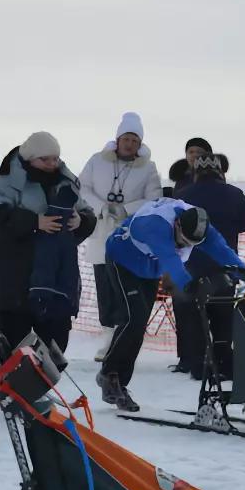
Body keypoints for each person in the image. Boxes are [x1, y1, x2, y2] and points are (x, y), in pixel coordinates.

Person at [97, 198, 245, 411]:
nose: (185, 246)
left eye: (190, 244)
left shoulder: (203, 229)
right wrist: (188, 286)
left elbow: (224, 253)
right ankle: (109, 375)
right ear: (176, 224)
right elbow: (170, 260)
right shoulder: (155, 225)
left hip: (149, 269)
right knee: (134, 318)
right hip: (123, 259)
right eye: (183, 240)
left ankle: (119, 382)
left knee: (139, 325)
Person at [0, 132, 97, 352]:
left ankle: (40, 386)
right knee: (12, 353)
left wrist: (80, 221)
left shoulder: (67, 184)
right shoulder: (4, 184)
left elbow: (88, 215)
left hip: (56, 282)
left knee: (54, 351)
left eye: (55, 158)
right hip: (15, 283)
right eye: (44, 159)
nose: (51, 164)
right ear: (29, 158)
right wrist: (34, 222)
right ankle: (10, 388)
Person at [79, 112, 162, 362]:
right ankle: (107, 339)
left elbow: (153, 198)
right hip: (101, 232)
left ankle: (120, 338)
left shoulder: (148, 168)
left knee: (122, 289)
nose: (129, 144)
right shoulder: (97, 160)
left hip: (129, 237)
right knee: (104, 287)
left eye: (134, 140)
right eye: (126, 138)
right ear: (118, 139)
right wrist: (102, 207)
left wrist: (126, 209)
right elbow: (81, 187)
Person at [174, 154, 245, 379]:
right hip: (225, 265)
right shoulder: (235, 194)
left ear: (196, 173)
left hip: (191, 265)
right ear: (220, 171)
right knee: (223, 315)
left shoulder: (183, 195)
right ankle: (223, 364)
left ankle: (198, 365)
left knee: (195, 316)